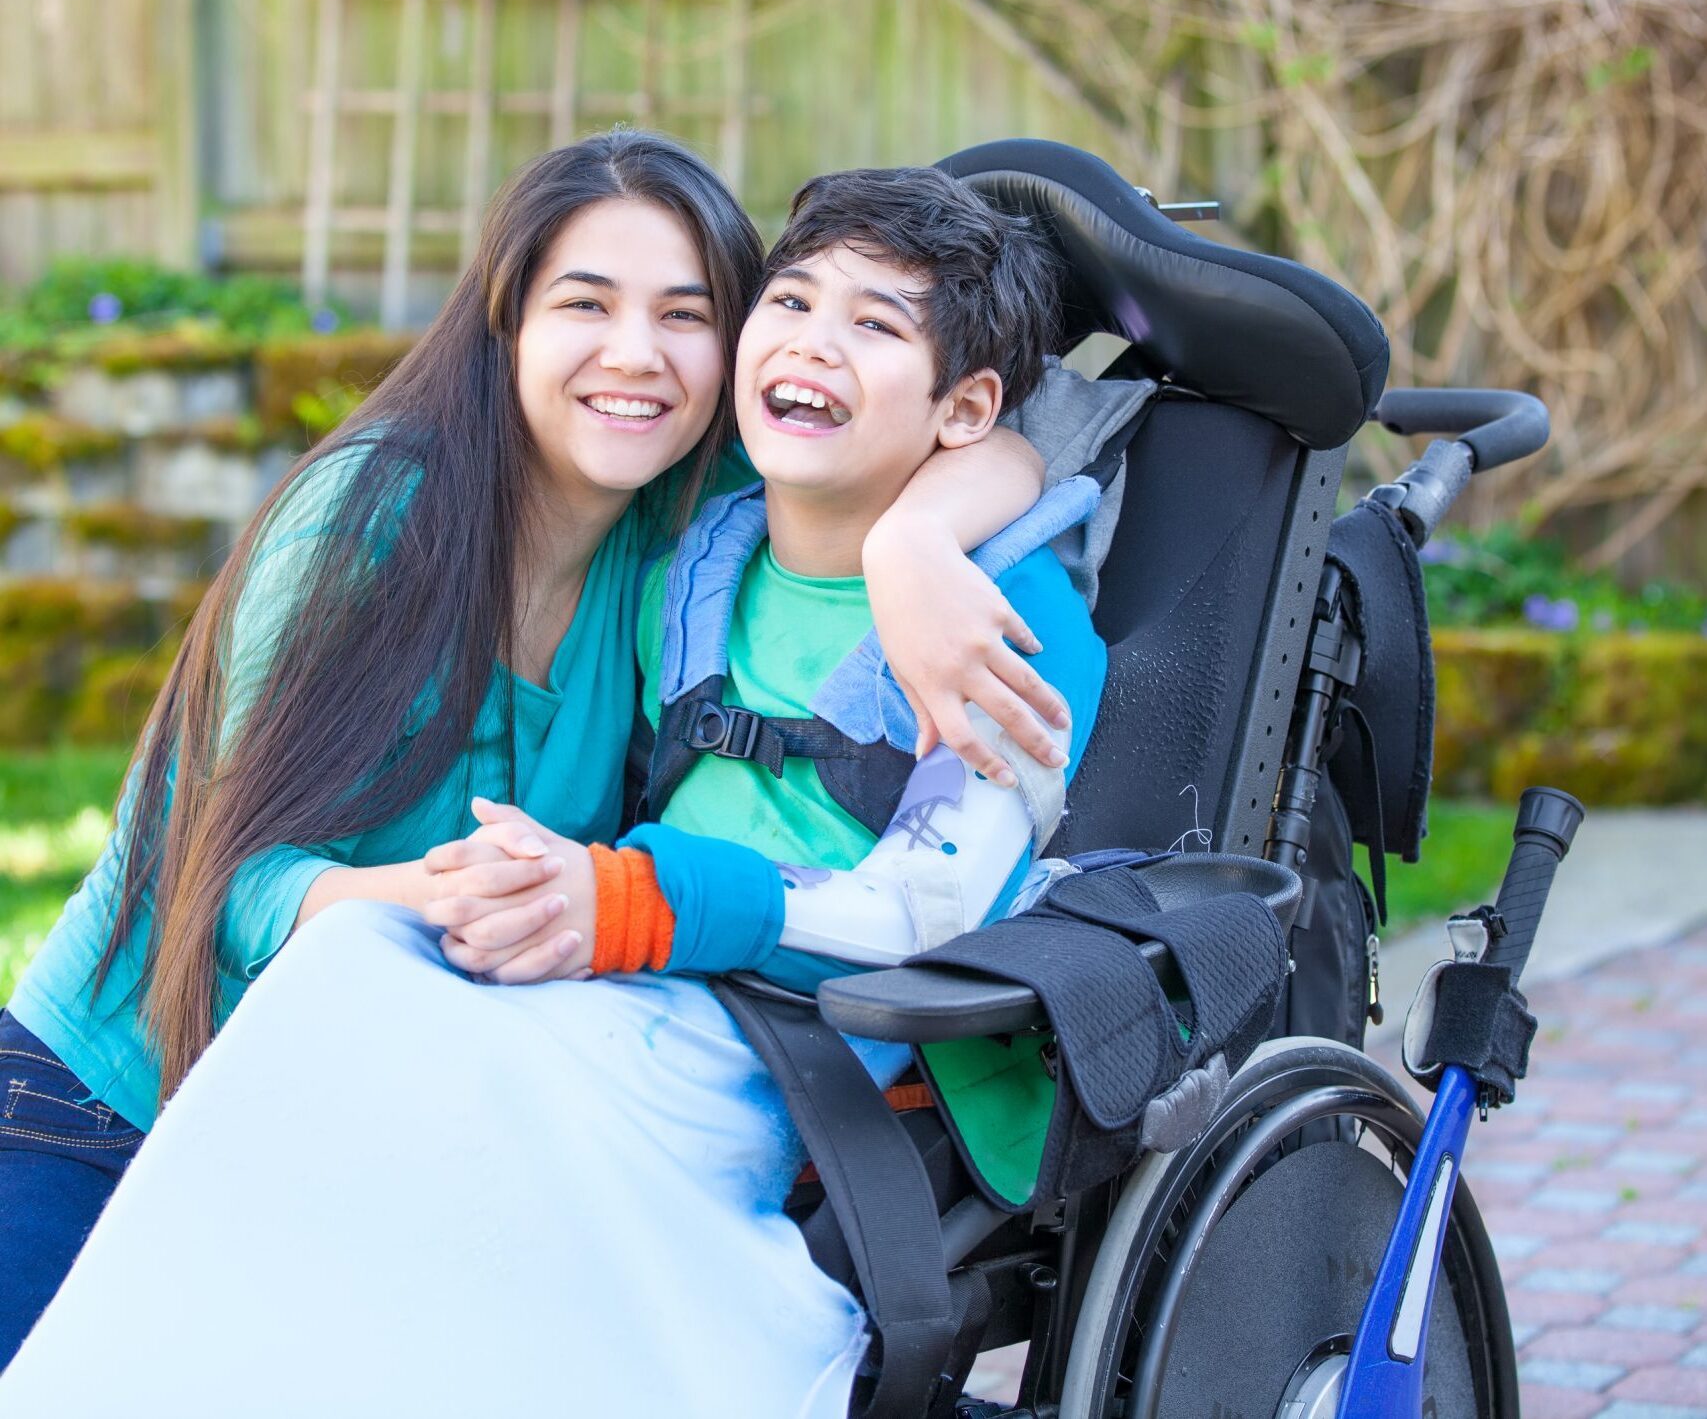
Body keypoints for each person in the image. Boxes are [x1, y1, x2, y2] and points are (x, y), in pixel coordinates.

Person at [0, 165, 1109, 1418]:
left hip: (409, 1103)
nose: (635, 355)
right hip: (116, 1095)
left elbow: (986, 435)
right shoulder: (377, 522)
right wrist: (433, 897)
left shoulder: (682, 542)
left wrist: (919, 543)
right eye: (587, 305)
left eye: (686, 315)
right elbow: (211, 874)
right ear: (508, 319)